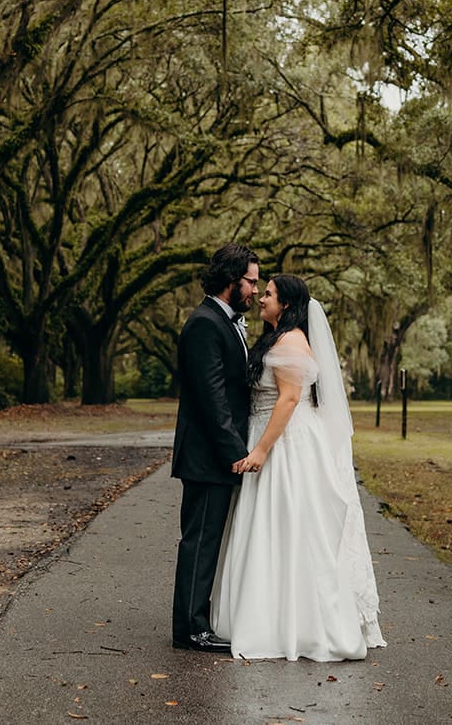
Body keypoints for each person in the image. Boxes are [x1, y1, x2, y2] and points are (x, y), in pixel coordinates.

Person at [211, 274, 386, 661]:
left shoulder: (291, 341)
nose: (261, 299)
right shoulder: (275, 338)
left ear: (286, 305)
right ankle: (266, 614)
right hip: (270, 434)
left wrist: (260, 451)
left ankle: (301, 624)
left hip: (285, 444)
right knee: (271, 527)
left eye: (268, 294)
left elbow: (289, 400)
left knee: (291, 527)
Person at [170, 242, 260, 653]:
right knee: (200, 540)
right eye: (251, 282)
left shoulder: (224, 321)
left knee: (207, 541)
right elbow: (211, 399)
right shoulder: (205, 323)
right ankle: (190, 629)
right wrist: (235, 454)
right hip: (208, 457)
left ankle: (197, 620)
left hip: (215, 456)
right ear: (231, 280)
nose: (255, 291)